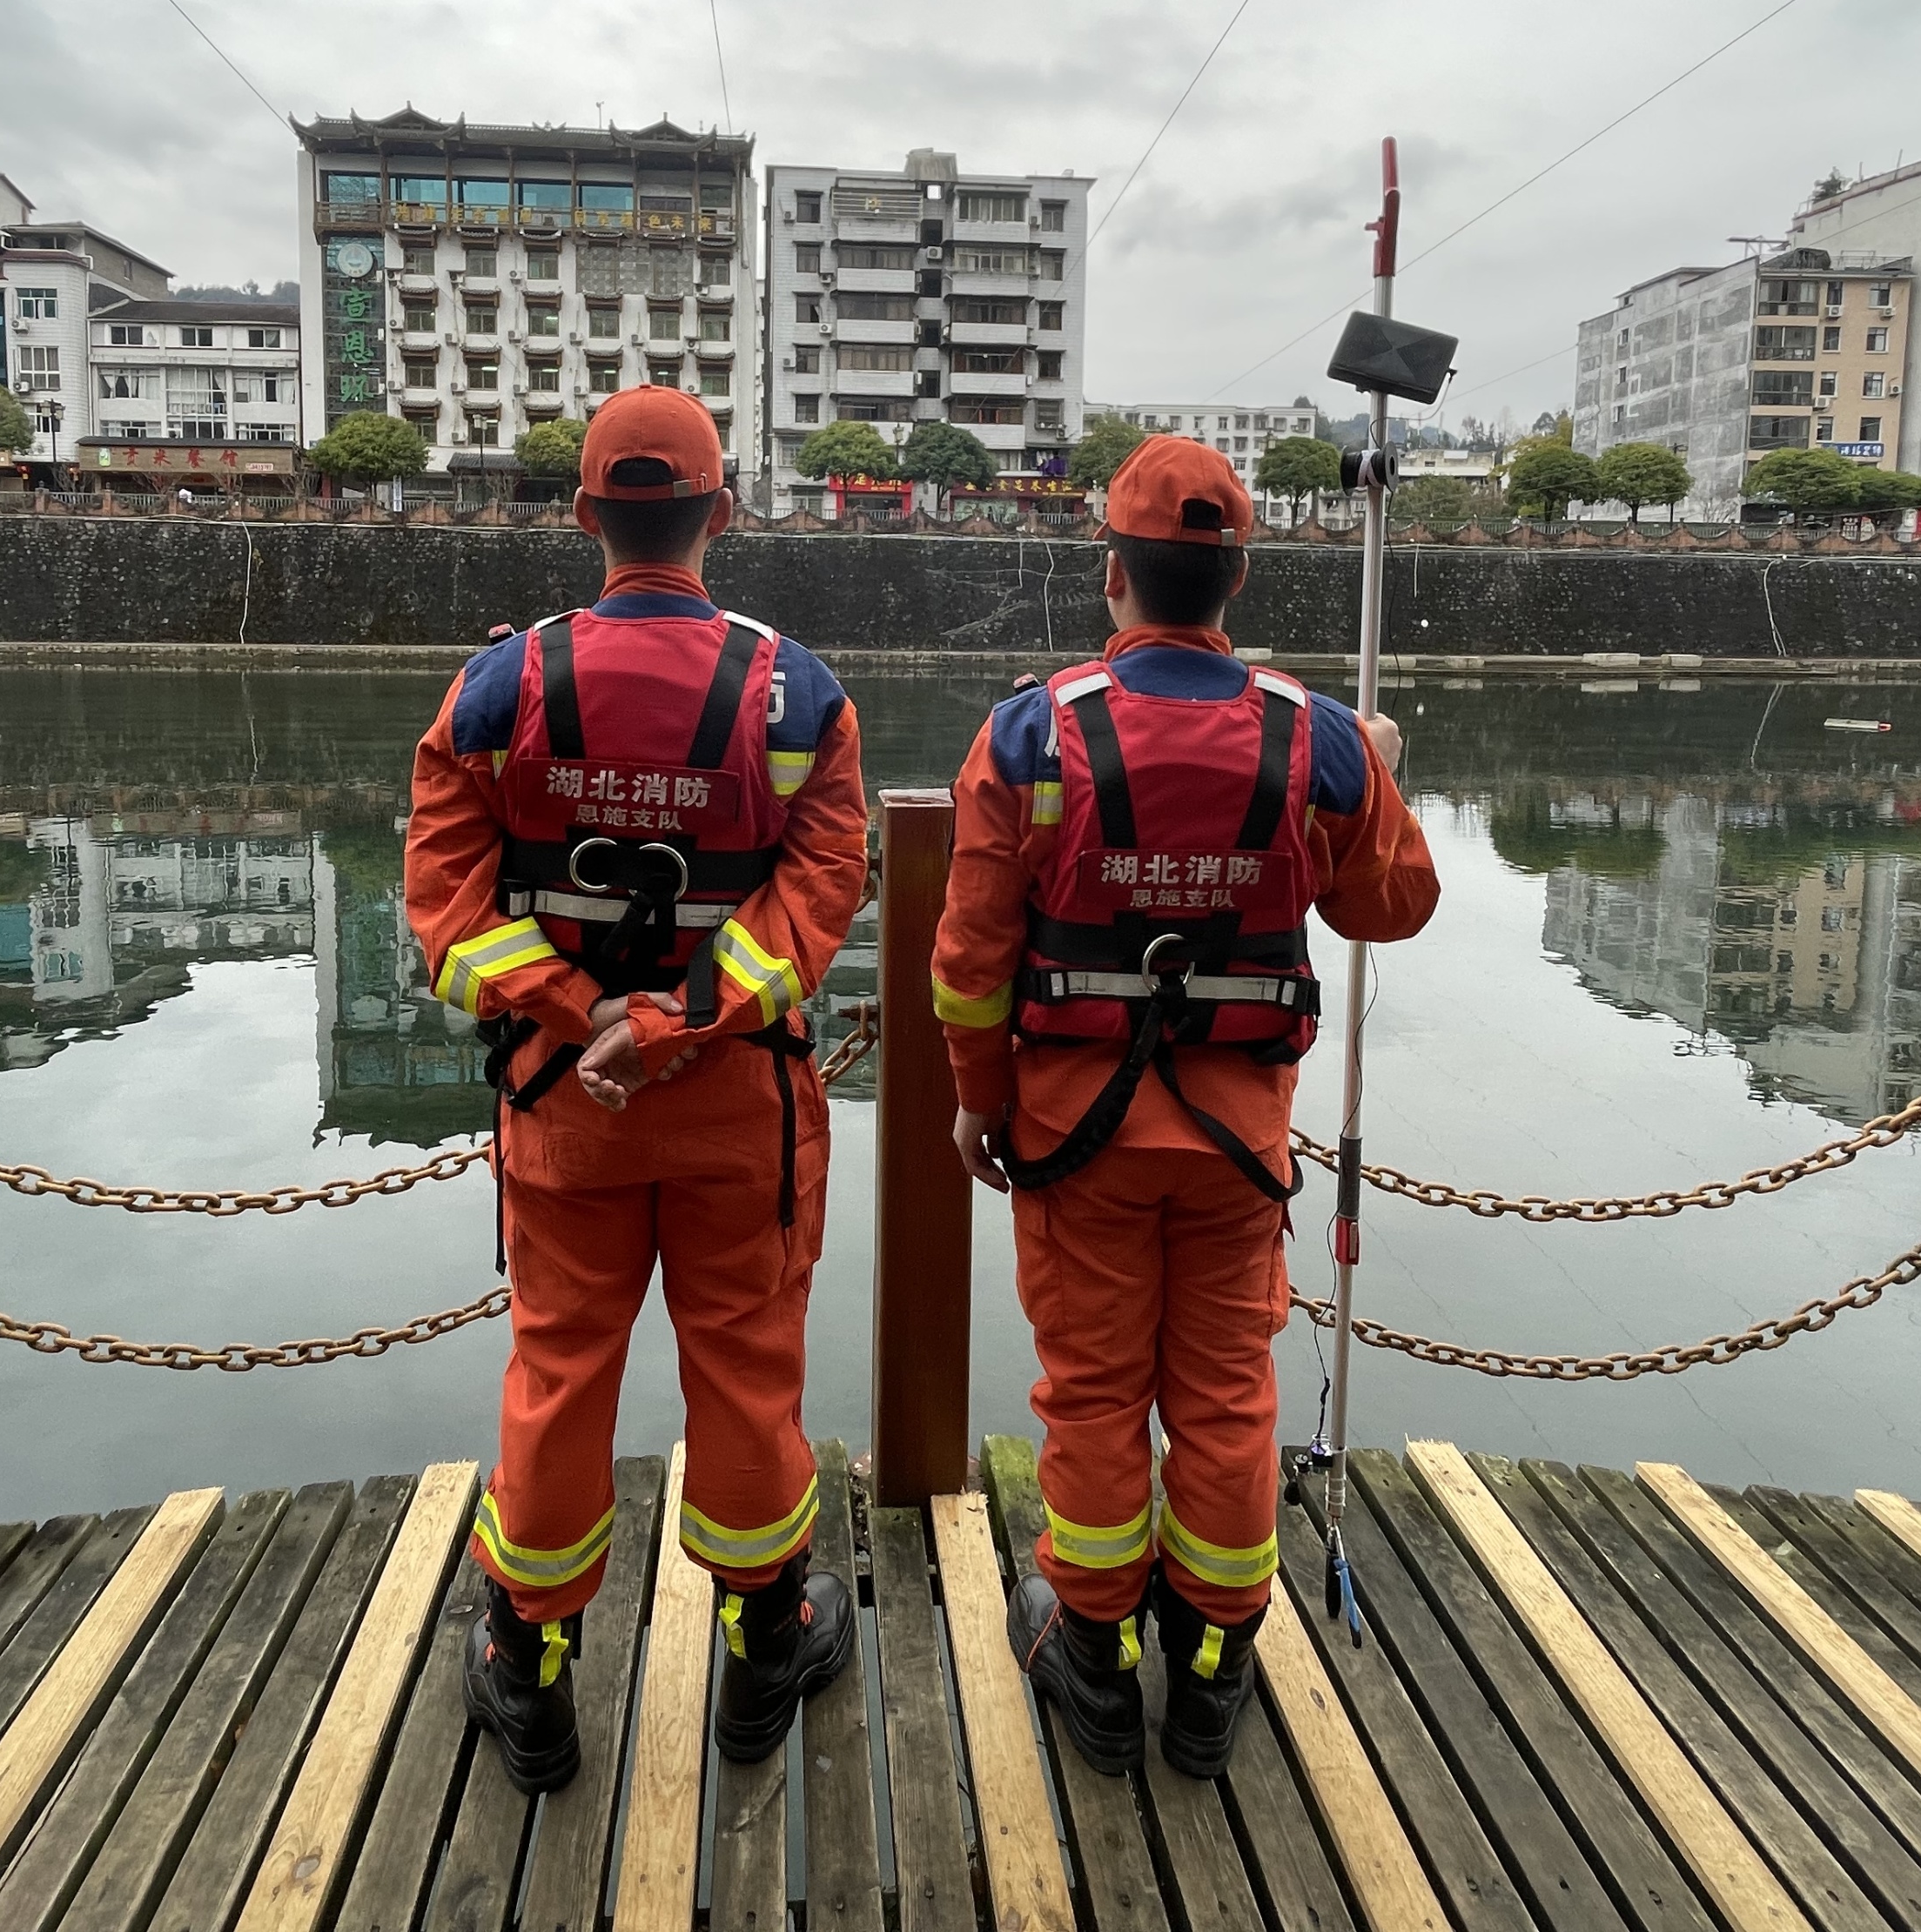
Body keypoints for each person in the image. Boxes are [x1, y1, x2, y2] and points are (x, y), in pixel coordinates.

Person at [930, 433, 1435, 1779]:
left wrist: (981, 1104)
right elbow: (1393, 906)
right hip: (1238, 1145)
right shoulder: (1314, 736)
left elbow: (971, 961)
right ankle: (1212, 1674)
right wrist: (1379, 771)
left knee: (1091, 1395)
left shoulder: (1033, 731)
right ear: (1238, 578)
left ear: (1114, 577)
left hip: (1073, 1136)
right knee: (1226, 1393)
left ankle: (1091, 1663)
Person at [406, 390, 871, 1793]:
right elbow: (822, 889)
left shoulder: (497, 691)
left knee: (556, 1375)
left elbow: (443, 902)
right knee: (745, 1368)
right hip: (742, 1108)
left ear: (587, 514)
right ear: (721, 513)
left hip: (564, 1105)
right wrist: (682, 1016)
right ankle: (765, 1646)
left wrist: (578, 1010)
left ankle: (531, 1678)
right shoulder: (801, 694)